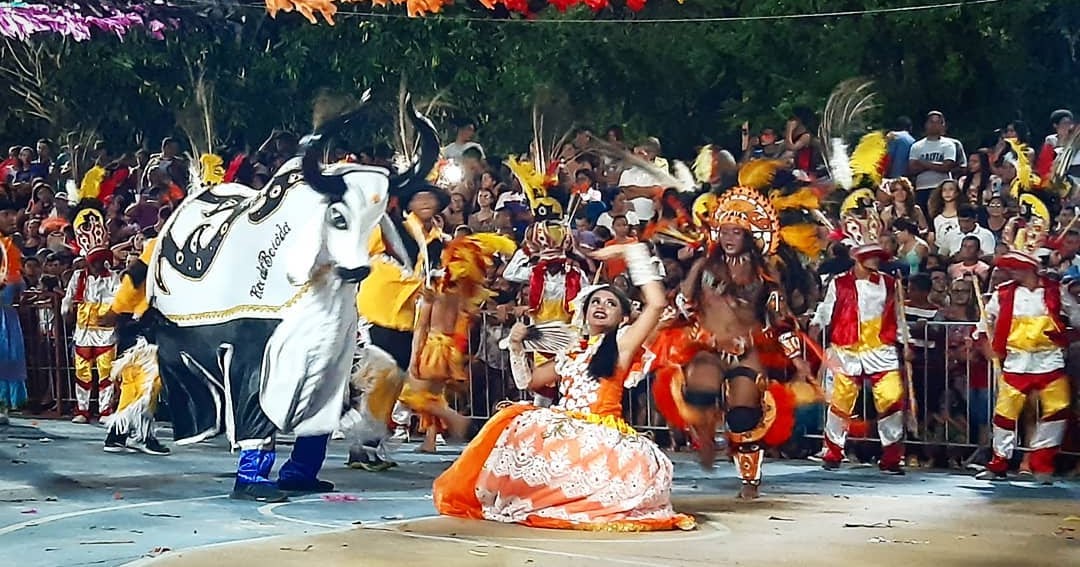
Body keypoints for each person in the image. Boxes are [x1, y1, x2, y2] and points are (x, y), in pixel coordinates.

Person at [433, 243, 695, 531]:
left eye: (611, 303)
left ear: (623, 318)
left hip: (601, 432)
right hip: (564, 427)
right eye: (596, 302)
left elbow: (656, 304)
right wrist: (516, 347)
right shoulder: (571, 353)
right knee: (518, 423)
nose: (601, 306)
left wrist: (631, 252)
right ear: (585, 311)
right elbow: (527, 382)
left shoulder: (622, 346)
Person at [348, 185, 448, 470]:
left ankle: (369, 445)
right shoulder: (390, 228)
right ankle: (361, 447)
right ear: (409, 203)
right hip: (379, 308)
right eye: (419, 196)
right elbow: (368, 256)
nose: (426, 201)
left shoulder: (437, 240)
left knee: (393, 382)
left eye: (431, 197)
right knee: (379, 377)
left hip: (406, 316)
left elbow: (432, 277)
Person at [975, 193, 1073, 484]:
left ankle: (1042, 464)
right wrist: (986, 346)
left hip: (1049, 360)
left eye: (1017, 266)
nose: (1012, 271)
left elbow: (1077, 318)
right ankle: (999, 463)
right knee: (1005, 414)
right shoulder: (1004, 293)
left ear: (1030, 267)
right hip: (1016, 362)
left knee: (1057, 409)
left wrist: (1065, 332)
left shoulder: (1056, 291)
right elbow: (983, 325)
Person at [809, 190, 907, 474]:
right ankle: (832, 451)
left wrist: (905, 343)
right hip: (846, 348)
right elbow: (826, 311)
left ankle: (892, 456)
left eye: (877, 256)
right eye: (870, 256)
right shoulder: (838, 283)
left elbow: (897, 316)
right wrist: (815, 328)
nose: (875, 260)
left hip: (881, 348)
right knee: (840, 403)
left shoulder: (889, 283)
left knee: (891, 400)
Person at [398, 233, 516, 452]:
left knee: (411, 394)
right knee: (434, 395)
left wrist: (414, 356)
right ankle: (430, 442)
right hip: (450, 348)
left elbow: (422, 327)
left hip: (433, 347)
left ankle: (459, 421)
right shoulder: (461, 295)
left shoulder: (433, 292)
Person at [97, 237, 169, 455]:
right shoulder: (162, 244)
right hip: (143, 323)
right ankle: (141, 435)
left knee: (135, 382)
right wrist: (115, 310)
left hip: (142, 322)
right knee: (148, 381)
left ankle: (117, 435)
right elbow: (134, 276)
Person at [61, 203, 121, 423]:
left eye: (101, 260)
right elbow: (68, 301)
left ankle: (105, 410)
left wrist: (110, 313)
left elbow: (118, 302)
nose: (98, 264)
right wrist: (66, 311)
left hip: (105, 332)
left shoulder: (113, 278)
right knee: (82, 371)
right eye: (94, 260)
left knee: (106, 372)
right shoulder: (78, 277)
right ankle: (82, 410)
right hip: (83, 332)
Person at [0, 198, 26, 425]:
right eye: (6, 214)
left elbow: (16, 282)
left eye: (12, 214)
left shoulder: (10, 247)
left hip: (6, 314)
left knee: (9, 358)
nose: (12, 219)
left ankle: (3, 406)